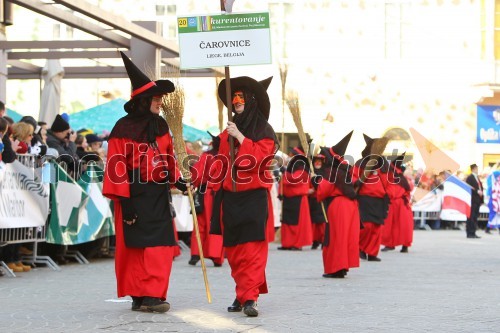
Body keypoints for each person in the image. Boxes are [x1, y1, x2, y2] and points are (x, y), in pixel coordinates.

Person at [103, 52, 188, 313]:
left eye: (160, 99)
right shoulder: (122, 128)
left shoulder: (161, 126)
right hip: (133, 195)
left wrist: (178, 181)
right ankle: (139, 295)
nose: (160, 103)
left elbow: (167, 158)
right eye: (156, 99)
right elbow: (117, 167)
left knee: (159, 246)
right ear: (143, 100)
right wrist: (125, 203)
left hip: (158, 196)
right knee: (136, 248)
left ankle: (153, 294)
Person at [210, 75, 278, 317]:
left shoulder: (264, 131)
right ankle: (242, 293)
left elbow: (258, 159)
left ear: (250, 101)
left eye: (241, 97)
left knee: (252, 251)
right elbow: (218, 163)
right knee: (235, 252)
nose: (236, 100)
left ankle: (250, 297)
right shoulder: (226, 132)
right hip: (230, 200)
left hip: (254, 198)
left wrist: (240, 137)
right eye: (234, 96)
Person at [314, 131, 360, 278]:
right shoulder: (344, 170)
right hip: (350, 206)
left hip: (339, 206)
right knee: (344, 237)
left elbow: (324, 190)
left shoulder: (332, 172)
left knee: (336, 237)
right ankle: (343, 266)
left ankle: (337, 268)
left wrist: (316, 182)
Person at [188, 132, 224, 267]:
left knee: (201, 224)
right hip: (219, 194)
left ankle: (196, 253)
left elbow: (197, 175)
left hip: (205, 193)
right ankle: (215, 255)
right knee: (216, 224)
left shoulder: (206, 156)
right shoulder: (225, 157)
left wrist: (194, 184)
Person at [354, 134, 389, 262]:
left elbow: (387, 181)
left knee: (377, 227)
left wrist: (387, 195)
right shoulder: (360, 163)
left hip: (380, 200)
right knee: (366, 226)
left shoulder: (383, 163)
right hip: (364, 198)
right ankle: (360, 248)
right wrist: (358, 181)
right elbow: (354, 177)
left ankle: (372, 252)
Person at [279, 153, 313, 251]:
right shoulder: (293, 167)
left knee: (296, 222)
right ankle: (287, 243)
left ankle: (296, 244)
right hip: (288, 197)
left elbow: (294, 179)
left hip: (297, 197)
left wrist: (285, 172)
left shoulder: (302, 168)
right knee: (287, 221)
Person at [381, 153, 414, 253]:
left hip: (394, 202)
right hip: (402, 204)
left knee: (391, 224)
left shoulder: (391, 176)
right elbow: (410, 188)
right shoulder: (402, 177)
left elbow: (389, 189)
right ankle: (404, 245)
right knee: (403, 225)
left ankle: (390, 244)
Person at [309, 154, 328, 249]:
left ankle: (323, 240)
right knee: (314, 222)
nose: (317, 163)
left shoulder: (325, 172)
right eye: (316, 161)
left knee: (322, 222)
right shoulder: (311, 172)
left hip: (322, 198)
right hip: (312, 199)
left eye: (319, 161)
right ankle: (315, 240)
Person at [465, 163, 483, 239]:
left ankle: (473, 232)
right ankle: (470, 232)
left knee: (475, 217)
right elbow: (469, 188)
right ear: (473, 169)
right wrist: (477, 191)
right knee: (471, 217)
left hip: (477, 200)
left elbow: (480, 187)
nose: (477, 170)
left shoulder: (477, 177)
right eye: (476, 168)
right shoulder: (470, 177)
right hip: (472, 200)